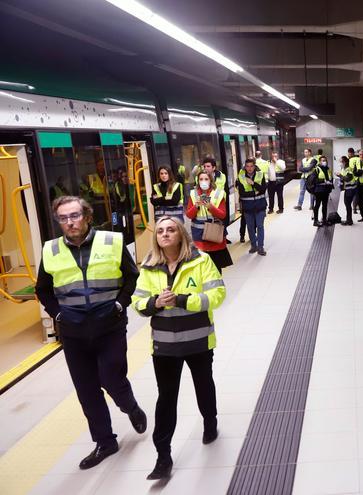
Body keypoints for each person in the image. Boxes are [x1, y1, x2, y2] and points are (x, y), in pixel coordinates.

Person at [34, 196, 147, 470]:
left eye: (74, 215)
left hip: (109, 326)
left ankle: (130, 406)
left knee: (110, 376)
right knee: (86, 389)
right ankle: (105, 442)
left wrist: (120, 303)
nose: (70, 222)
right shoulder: (50, 250)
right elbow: (43, 289)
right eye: (63, 218)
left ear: (86, 216)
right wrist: (57, 314)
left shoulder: (112, 241)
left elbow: (131, 276)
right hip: (73, 332)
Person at [132, 216, 226, 480]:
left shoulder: (201, 260)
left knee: (203, 385)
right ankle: (163, 456)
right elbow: (137, 303)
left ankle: (210, 422)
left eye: (170, 229)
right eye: (160, 231)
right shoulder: (148, 267)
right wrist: (156, 303)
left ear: (181, 234)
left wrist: (182, 300)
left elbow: (217, 295)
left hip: (198, 341)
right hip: (165, 346)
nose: (164, 234)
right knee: (166, 398)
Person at [185, 171, 233, 273]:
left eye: (206, 179)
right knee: (202, 270)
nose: (203, 182)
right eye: (201, 179)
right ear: (198, 181)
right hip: (199, 238)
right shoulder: (193, 194)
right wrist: (196, 206)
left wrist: (210, 207)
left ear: (211, 180)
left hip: (214, 237)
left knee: (216, 269)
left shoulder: (218, 193)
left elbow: (222, 215)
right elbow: (189, 215)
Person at [237, 158, 268, 255]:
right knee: (250, 227)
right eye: (247, 166)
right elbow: (242, 193)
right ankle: (253, 246)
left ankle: (260, 247)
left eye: (251, 166)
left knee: (260, 226)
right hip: (247, 207)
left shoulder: (260, 174)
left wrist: (253, 183)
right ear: (245, 167)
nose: (249, 168)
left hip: (260, 206)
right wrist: (255, 192)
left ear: (254, 166)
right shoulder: (241, 177)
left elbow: (263, 190)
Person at [312, 156, 333, 227]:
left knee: (325, 206)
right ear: (320, 161)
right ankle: (315, 221)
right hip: (319, 190)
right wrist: (324, 181)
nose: (324, 162)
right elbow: (314, 180)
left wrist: (330, 183)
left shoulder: (328, 169)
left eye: (325, 160)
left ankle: (324, 220)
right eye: (322, 160)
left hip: (326, 190)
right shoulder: (317, 169)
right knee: (317, 205)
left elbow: (330, 178)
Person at [336, 156, 358, 225]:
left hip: (351, 189)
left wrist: (340, 176)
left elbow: (348, 179)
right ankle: (349, 220)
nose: (340, 163)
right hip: (348, 189)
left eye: (341, 162)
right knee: (347, 204)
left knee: (348, 204)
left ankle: (349, 220)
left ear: (344, 162)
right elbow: (343, 179)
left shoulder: (348, 169)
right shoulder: (344, 169)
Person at [347, 148, 361, 215]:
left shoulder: (356, 159)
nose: (349, 154)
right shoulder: (348, 159)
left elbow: (358, 169)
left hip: (355, 179)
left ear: (352, 153)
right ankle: (354, 207)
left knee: (356, 194)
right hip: (350, 179)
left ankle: (354, 208)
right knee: (353, 194)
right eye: (348, 153)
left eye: (350, 153)